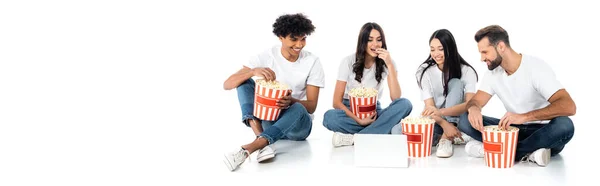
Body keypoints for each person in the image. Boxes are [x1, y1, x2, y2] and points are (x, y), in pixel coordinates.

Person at [458, 25, 576, 166]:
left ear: (501, 46)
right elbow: (476, 101)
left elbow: (569, 106)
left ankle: (497, 150)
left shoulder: (535, 68)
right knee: (465, 119)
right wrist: (474, 108)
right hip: (511, 131)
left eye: (485, 52)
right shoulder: (492, 74)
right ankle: (530, 152)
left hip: (542, 131)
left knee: (565, 125)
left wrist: (525, 117)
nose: (482, 58)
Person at [221, 13, 325, 171]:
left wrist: (291, 101)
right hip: (269, 121)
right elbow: (227, 84)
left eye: (303, 38)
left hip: (299, 126)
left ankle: (250, 148)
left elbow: (311, 106)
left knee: (298, 107)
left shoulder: (312, 62)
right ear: (280, 37)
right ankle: (262, 139)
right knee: (244, 82)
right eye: (293, 39)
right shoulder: (267, 56)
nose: (299, 44)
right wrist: (252, 72)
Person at [322, 22, 412, 147]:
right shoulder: (348, 61)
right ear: (363, 42)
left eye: (379, 40)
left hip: (374, 110)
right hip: (350, 110)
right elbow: (336, 102)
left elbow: (396, 98)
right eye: (370, 40)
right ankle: (379, 130)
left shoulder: (388, 63)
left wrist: (390, 65)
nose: (375, 44)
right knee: (329, 118)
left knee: (405, 104)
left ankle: (355, 139)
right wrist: (359, 120)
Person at [409, 29, 479, 158]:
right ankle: (453, 134)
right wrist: (444, 123)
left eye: (440, 49)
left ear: (450, 48)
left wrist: (447, 119)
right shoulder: (424, 71)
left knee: (456, 83)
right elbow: (429, 107)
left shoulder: (467, 71)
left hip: (459, 119)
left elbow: (470, 105)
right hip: (436, 120)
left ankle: (446, 139)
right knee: (398, 131)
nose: (436, 54)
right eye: (432, 49)